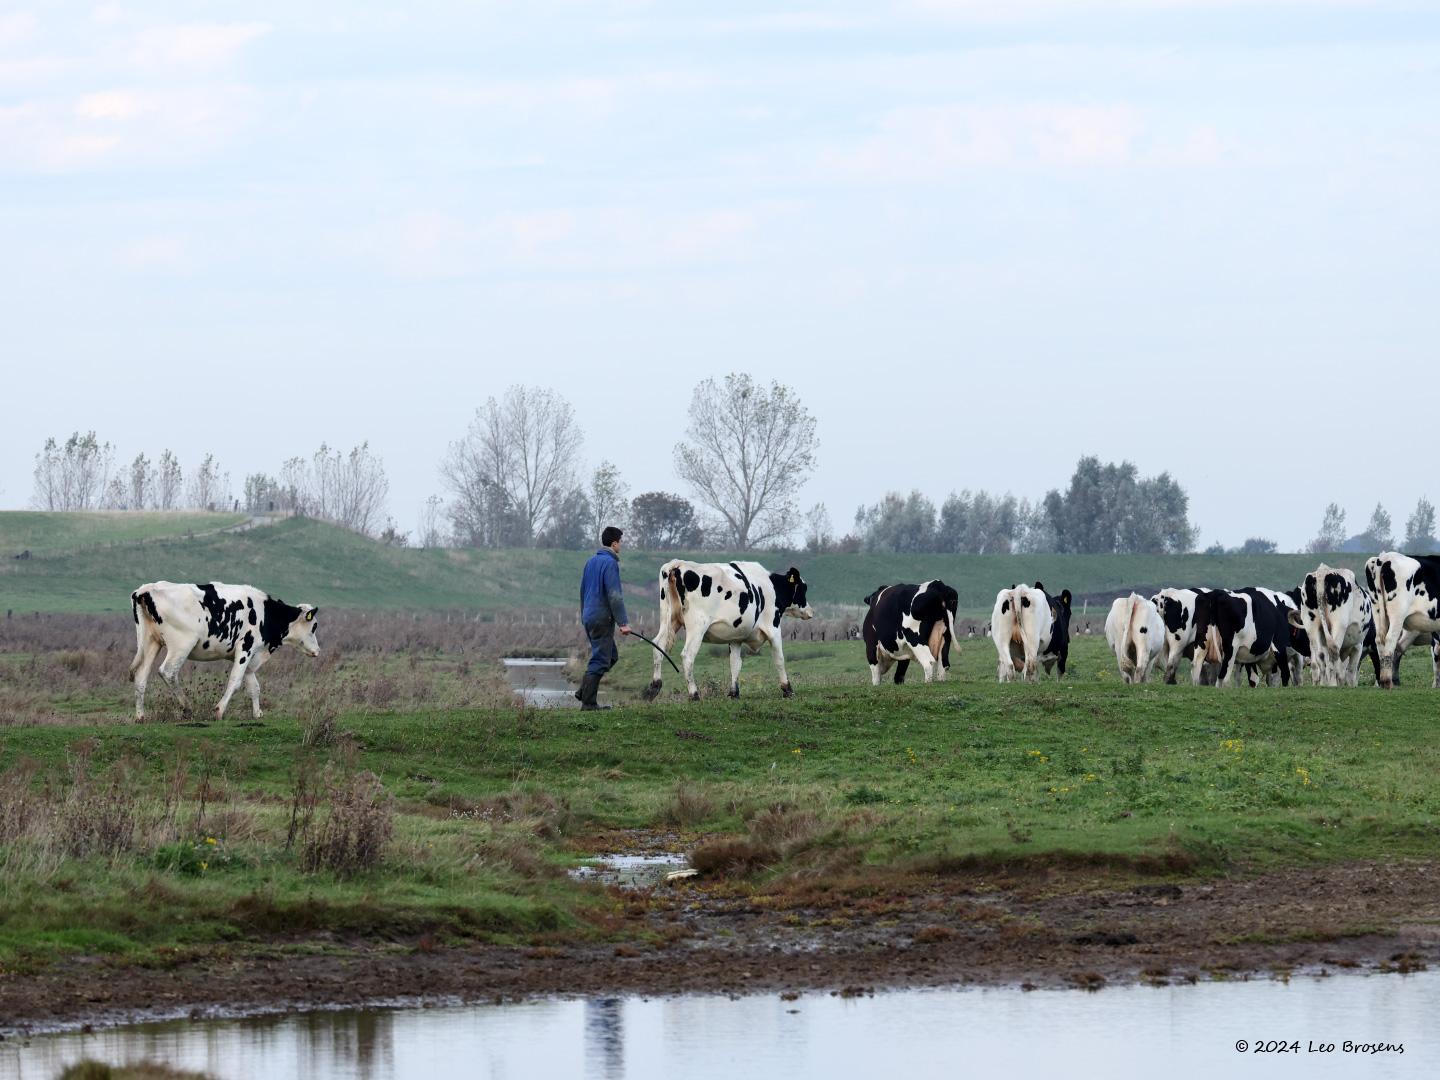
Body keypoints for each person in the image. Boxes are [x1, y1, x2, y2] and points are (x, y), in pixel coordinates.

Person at [577, 526, 631, 710]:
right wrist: (623, 623)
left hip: (589, 616)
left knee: (611, 656)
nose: (621, 545)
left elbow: (582, 591)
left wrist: (584, 615)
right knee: (601, 659)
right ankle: (589, 704)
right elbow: (615, 595)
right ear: (614, 543)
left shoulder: (590, 562)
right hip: (601, 618)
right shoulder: (610, 563)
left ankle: (584, 691)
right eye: (620, 542)